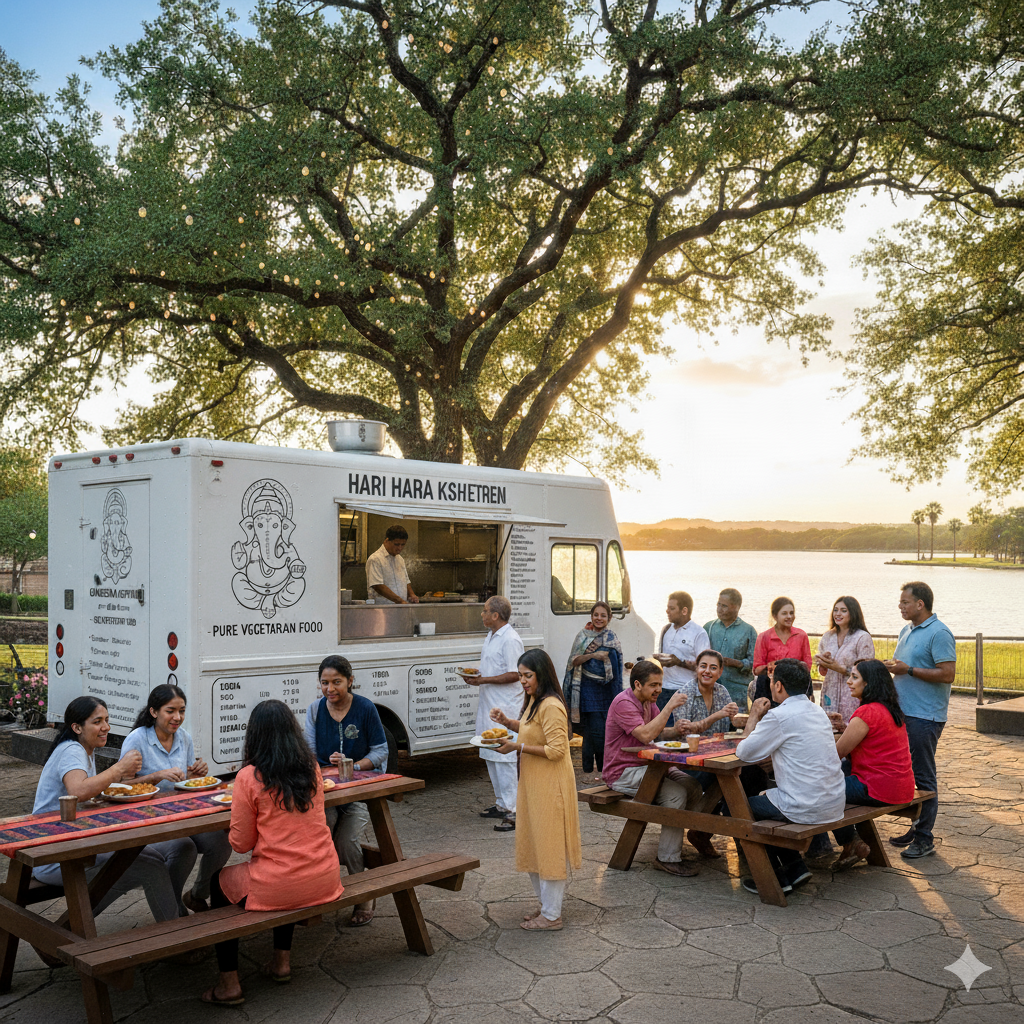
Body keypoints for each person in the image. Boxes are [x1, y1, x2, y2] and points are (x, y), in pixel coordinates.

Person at [202, 700, 344, 1006]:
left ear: (254, 735)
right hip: (325, 876)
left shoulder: (249, 777)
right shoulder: (312, 769)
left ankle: (229, 984)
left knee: (219, 883)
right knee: (281, 872)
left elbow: (240, 844)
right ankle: (281, 963)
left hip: (285, 884)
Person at [31, 697, 197, 927]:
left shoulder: (84, 750)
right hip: (57, 856)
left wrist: (148, 777)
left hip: (82, 842)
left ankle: (173, 910)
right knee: (149, 866)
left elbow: (99, 791)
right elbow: (78, 791)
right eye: (97, 721)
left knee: (181, 846)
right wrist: (119, 768)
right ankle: (175, 938)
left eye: (107, 720)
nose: (106, 727)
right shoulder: (71, 750)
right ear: (77, 728)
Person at [734, 659, 846, 895]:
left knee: (736, 807)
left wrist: (754, 715)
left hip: (806, 806)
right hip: (834, 802)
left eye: (773, 681)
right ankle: (795, 868)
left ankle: (773, 877)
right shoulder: (817, 711)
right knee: (763, 802)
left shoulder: (779, 715)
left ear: (779, 686)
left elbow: (743, 752)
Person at [488, 649, 582, 931]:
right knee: (533, 844)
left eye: (528, 675)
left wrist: (516, 746)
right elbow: (532, 731)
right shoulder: (535, 702)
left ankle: (552, 916)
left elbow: (556, 749)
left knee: (549, 847)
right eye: (520, 675)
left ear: (541, 674)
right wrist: (507, 723)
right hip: (532, 785)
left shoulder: (551, 705)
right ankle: (546, 907)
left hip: (550, 786)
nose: (523, 681)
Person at [121, 684, 232, 913]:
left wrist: (197, 773)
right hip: (148, 820)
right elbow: (120, 787)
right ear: (154, 712)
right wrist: (155, 776)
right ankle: (171, 909)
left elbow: (185, 781)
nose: (177, 717)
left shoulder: (184, 737)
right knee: (184, 849)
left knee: (222, 842)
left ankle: (197, 895)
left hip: (181, 814)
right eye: (170, 711)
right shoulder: (137, 739)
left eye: (181, 711)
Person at [304, 655, 388, 926]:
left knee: (347, 841)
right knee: (319, 834)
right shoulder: (315, 710)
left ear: (350, 681)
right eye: (324, 683)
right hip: (326, 792)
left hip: (358, 790)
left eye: (337, 682)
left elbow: (381, 750)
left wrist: (355, 765)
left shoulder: (365, 708)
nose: (330, 689)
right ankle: (317, 893)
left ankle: (364, 896)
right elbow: (309, 753)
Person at [602, 660, 703, 877]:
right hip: (622, 772)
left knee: (693, 786)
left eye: (660, 684)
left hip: (649, 766)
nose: (658, 689)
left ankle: (684, 834)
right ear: (638, 684)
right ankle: (668, 857)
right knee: (676, 795)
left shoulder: (648, 701)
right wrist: (669, 706)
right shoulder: (624, 703)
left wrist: (675, 730)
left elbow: (657, 731)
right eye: (653, 685)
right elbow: (646, 735)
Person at [882, 581, 956, 860]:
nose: (900, 607)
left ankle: (925, 838)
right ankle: (916, 826)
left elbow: (947, 674)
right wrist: (893, 667)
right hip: (905, 713)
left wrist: (909, 670)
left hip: (926, 716)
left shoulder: (939, 633)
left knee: (924, 777)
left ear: (920, 604)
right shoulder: (907, 630)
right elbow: (904, 665)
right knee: (910, 774)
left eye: (904, 602)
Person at [830, 660, 916, 868]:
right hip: (901, 788)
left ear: (868, 684)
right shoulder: (890, 709)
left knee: (819, 789)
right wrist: (846, 728)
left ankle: (846, 842)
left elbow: (836, 753)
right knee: (841, 772)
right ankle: (850, 842)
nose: (849, 682)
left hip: (878, 789)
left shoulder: (866, 712)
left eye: (854, 677)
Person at [668, 649, 739, 860]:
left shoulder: (722, 691)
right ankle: (701, 833)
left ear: (720, 672)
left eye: (713, 667)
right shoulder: (684, 694)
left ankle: (703, 833)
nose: (707, 671)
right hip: (688, 762)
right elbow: (686, 731)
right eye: (703, 666)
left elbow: (729, 725)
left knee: (741, 777)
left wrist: (737, 717)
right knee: (723, 783)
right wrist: (717, 715)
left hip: (717, 758)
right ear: (696, 668)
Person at [460, 596, 524, 831]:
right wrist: (479, 674)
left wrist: (483, 679)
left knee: (505, 757)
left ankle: (514, 810)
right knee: (490, 753)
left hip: (505, 706)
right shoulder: (491, 635)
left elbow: (514, 674)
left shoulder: (510, 639)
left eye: (485, 611)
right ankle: (501, 803)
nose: (482, 614)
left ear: (496, 615)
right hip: (490, 704)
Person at [562, 601, 624, 778]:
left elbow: (618, 665)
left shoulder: (612, 637)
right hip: (587, 688)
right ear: (591, 616)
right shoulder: (582, 636)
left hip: (607, 689)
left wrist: (618, 695)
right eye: (596, 614)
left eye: (603, 615)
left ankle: (593, 766)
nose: (599, 618)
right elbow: (573, 661)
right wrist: (593, 655)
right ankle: (598, 766)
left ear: (609, 618)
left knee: (601, 728)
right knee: (592, 728)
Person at [815, 596, 875, 726]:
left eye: (843, 610)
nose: (838, 614)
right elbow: (823, 672)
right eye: (835, 610)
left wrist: (841, 669)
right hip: (830, 692)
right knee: (828, 729)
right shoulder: (827, 636)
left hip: (852, 694)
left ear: (853, 613)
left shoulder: (862, 637)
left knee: (850, 729)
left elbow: (868, 673)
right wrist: (823, 664)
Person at [704, 588, 758, 711]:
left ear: (737, 607)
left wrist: (736, 663)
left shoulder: (749, 631)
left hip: (738, 694)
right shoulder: (709, 627)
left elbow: (755, 663)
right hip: (712, 692)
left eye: (724, 606)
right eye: (718, 604)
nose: (719, 609)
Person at [655, 591, 710, 711]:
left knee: (683, 728)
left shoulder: (699, 633)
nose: (667, 611)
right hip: (664, 690)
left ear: (684, 611)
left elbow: (706, 667)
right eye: (667, 608)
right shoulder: (666, 629)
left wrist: (678, 662)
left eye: (672, 608)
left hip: (686, 691)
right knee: (662, 728)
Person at [752, 597, 813, 706]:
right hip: (769, 687)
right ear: (775, 616)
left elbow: (807, 665)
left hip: (796, 689)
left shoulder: (801, 635)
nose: (789, 617)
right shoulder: (764, 637)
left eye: (791, 613)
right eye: (784, 613)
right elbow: (757, 669)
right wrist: (774, 669)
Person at [365, 525, 419, 604]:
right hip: (383, 609)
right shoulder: (375, 559)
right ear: (386, 541)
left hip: (401, 608)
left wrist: (412, 594)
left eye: (403, 544)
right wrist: (400, 601)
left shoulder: (400, 559)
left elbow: (406, 580)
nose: (400, 548)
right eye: (396, 544)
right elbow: (377, 585)